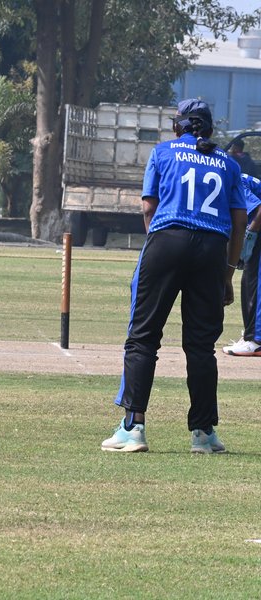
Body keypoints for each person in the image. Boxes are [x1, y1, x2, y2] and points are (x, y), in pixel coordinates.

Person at [101, 99, 246, 454]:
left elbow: (149, 207)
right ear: (209, 129)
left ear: (179, 126)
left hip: (168, 239)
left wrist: (158, 248)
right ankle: (203, 433)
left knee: (143, 336)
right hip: (213, 247)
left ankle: (133, 427)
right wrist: (228, 273)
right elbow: (240, 219)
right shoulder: (228, 162)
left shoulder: (164, 152)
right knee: (200, 345)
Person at [223, 174, 261, 356]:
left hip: (259, 231)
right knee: (249, 282)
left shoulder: (233, 179)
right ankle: (251, 335)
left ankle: (256, 340)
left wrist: (250, 235)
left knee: (254, 284)